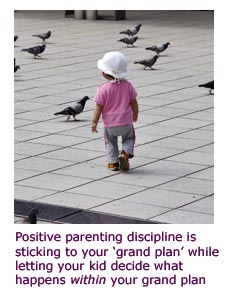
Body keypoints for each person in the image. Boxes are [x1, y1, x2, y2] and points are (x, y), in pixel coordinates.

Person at [92, 51, 139, 171]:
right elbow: (133, 102)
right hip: (126, 122)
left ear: (104, 74)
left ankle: (113, 163)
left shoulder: (103, 89)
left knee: (110, 142)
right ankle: (126, 153)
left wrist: (94, 122)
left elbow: (98, 106)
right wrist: (135, 114)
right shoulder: (128, 85)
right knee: (129, 138)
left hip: (110, 124)